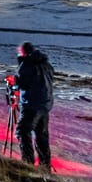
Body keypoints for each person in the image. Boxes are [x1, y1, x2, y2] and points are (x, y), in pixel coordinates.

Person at [14, 41, 55, 170]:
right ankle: (45, 167)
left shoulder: (27, 64)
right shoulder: (46, 64)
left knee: (23, 131)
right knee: (41, 136)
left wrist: (15, 83)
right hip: (45, 105)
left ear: (23, 52)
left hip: (32, 105)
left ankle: (28, 165)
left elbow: (23, 84)